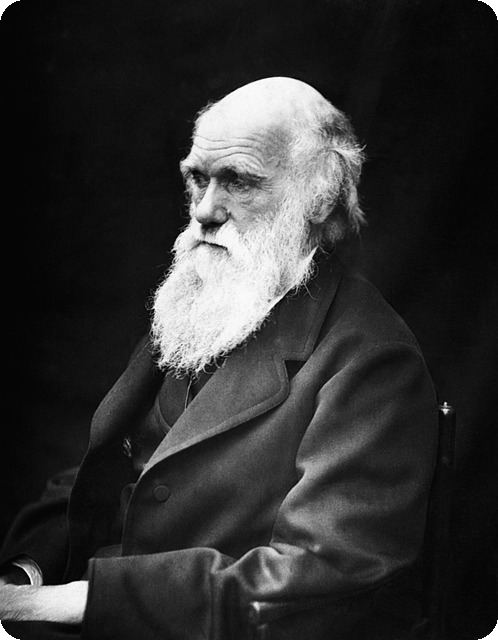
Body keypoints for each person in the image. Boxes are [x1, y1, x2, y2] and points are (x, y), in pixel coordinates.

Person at [0, 76, 438, 640]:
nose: (206, 210)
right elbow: (98, 474)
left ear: (320, 197)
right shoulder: (209, 302)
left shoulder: (374, 360)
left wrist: (69, 603)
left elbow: (324, 574)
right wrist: (24, 574)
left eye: (239, 181)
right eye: (198, 179)